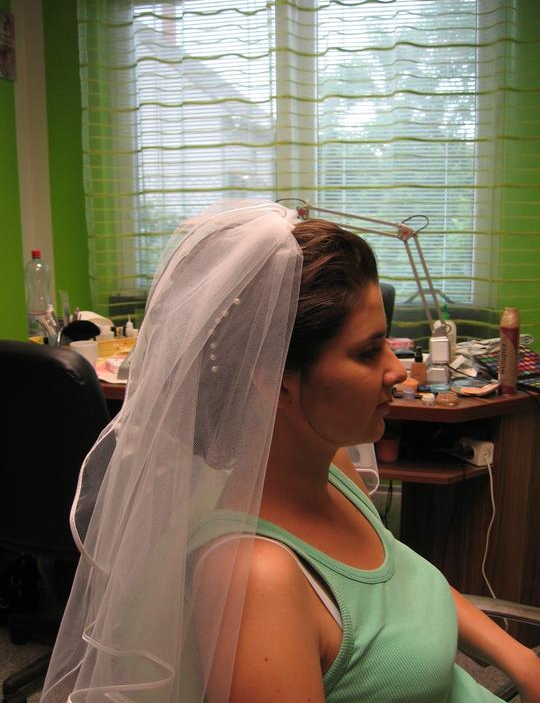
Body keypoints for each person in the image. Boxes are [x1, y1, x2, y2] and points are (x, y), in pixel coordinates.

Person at [41, 200, 540, 703]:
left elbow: (402, 582)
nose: (398, 371)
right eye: (369, 351)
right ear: (275, 383)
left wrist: (524, 663)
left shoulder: (333, 468)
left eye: (388, 343)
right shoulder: (258, 578)